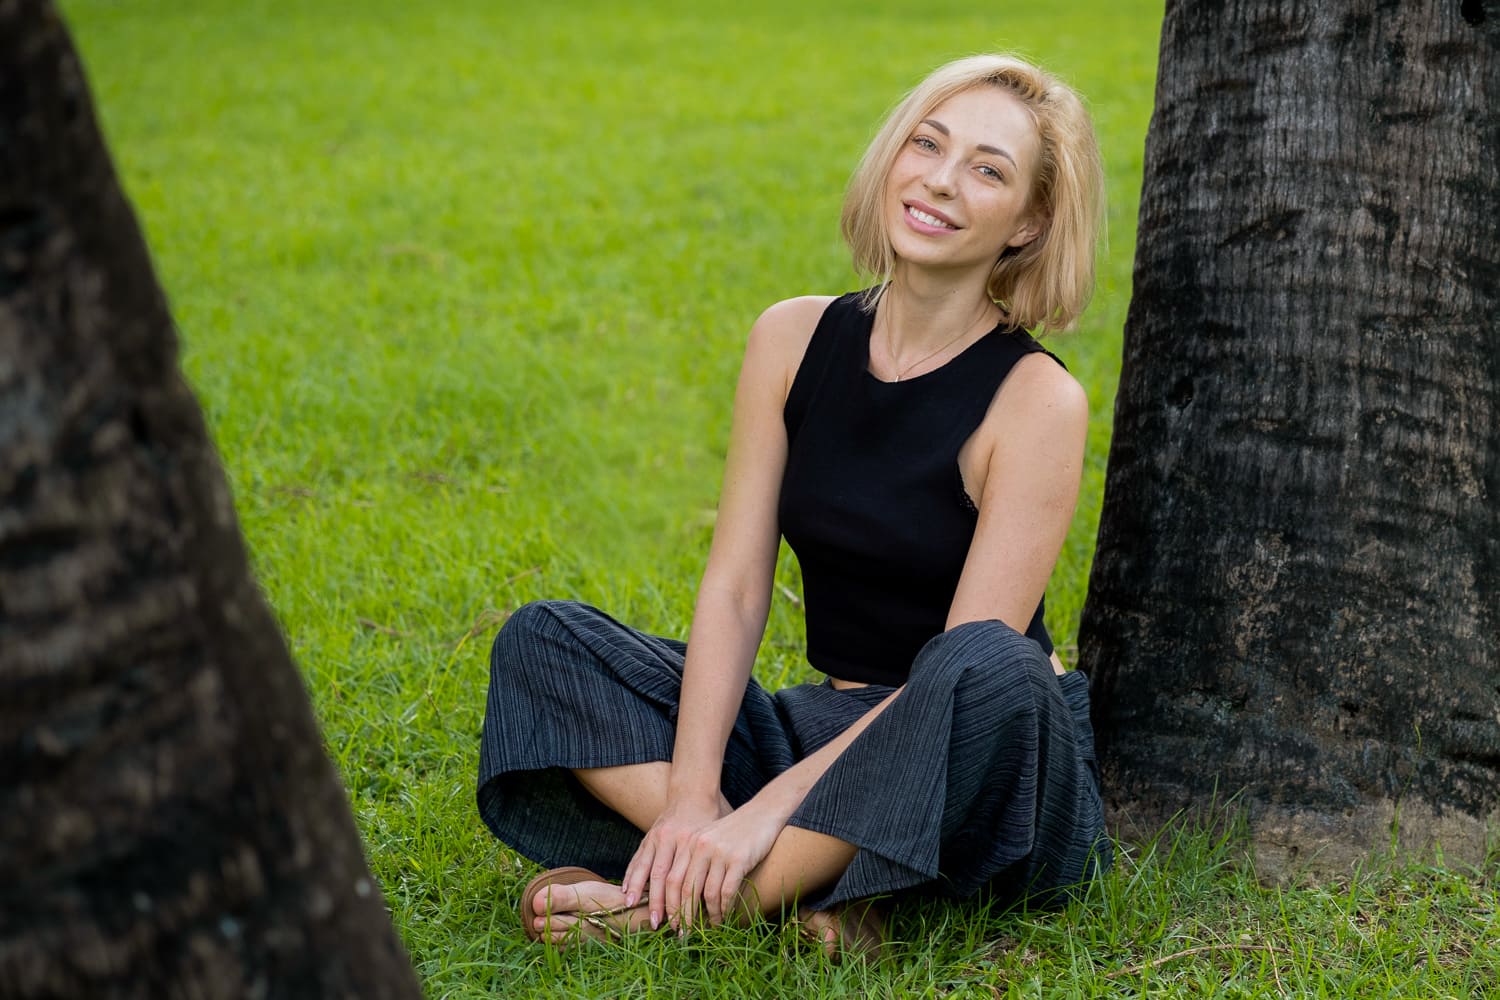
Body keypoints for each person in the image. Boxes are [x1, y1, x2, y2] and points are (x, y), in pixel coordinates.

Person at [477, 52, 1110, 958]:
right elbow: (737, 588)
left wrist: (763, 813)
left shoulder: (1037, 400)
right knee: (546, 642)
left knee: (991, 663)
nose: (940, 180)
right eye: (927, 144)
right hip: (825, 727)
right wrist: (698, 797)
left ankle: (691, 903)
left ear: (1031, 222)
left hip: (983, 754)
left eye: (988, 169)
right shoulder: (791, 337)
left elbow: (951, 684)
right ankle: (809, 889)